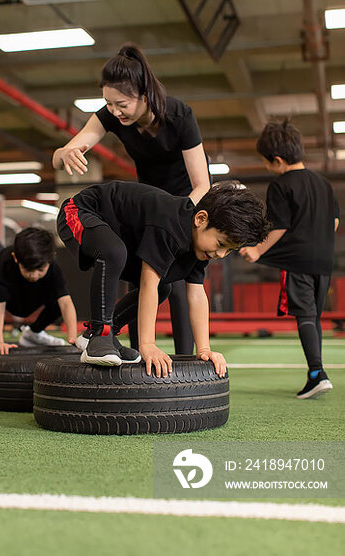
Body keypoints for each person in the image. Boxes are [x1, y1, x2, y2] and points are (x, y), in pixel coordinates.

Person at [53, 43, 211, 354]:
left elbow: (203, 184)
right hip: (146, 208)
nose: (114, 111)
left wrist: (180, 219)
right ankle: (140, 351)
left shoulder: (179, 116)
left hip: (184, 208)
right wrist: (65, 152)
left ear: (145, 95)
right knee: (144, 281)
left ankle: (186, 362)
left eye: (121, 104)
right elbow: (62, 155)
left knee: (177, 285)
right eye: (108, 104)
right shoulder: (112, 115)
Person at [57, 180, 270, 377]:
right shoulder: (170, 224)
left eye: (230, 251)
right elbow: (148, 281)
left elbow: (196, 294)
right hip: (81, 211)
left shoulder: (200, 248)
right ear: (201, 219)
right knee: (115, 253)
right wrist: (147, 344)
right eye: (222, 244)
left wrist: (204, 349)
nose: (221, 255)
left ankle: (102, 333)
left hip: (121, 235)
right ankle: (99, 333)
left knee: (163, 288)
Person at [239, 119, 339, 399]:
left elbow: (279, 226)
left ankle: (318, 373)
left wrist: (257, 250)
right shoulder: (324, 184)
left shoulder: (281, 185)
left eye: (266, 163)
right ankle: (315, 373)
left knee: (305, 316)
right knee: (314, 317)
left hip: (299, 263)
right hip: (324, 262)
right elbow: (332, 222)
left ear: (278, 160)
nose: (267, 167)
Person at [0, 227, 77, 355]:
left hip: (24, 289)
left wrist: (73, 338)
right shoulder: (4, 265)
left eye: (40, 270)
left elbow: (65, 303)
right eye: (28, 270)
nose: (34, 275)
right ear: (15, 258)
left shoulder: (53, 269)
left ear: (51, 258)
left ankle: (33, 333)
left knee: (57, 304)